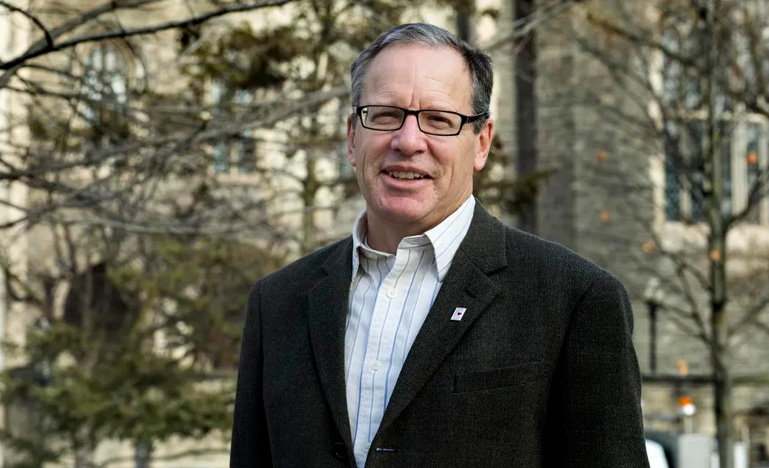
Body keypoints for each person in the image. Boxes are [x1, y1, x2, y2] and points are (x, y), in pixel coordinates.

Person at [230, 23, 650, 468]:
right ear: (353, 138)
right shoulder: (277, 303)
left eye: (438, 120)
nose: (408, 142)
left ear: (481, 143)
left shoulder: (574, 299)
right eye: (385, 114)